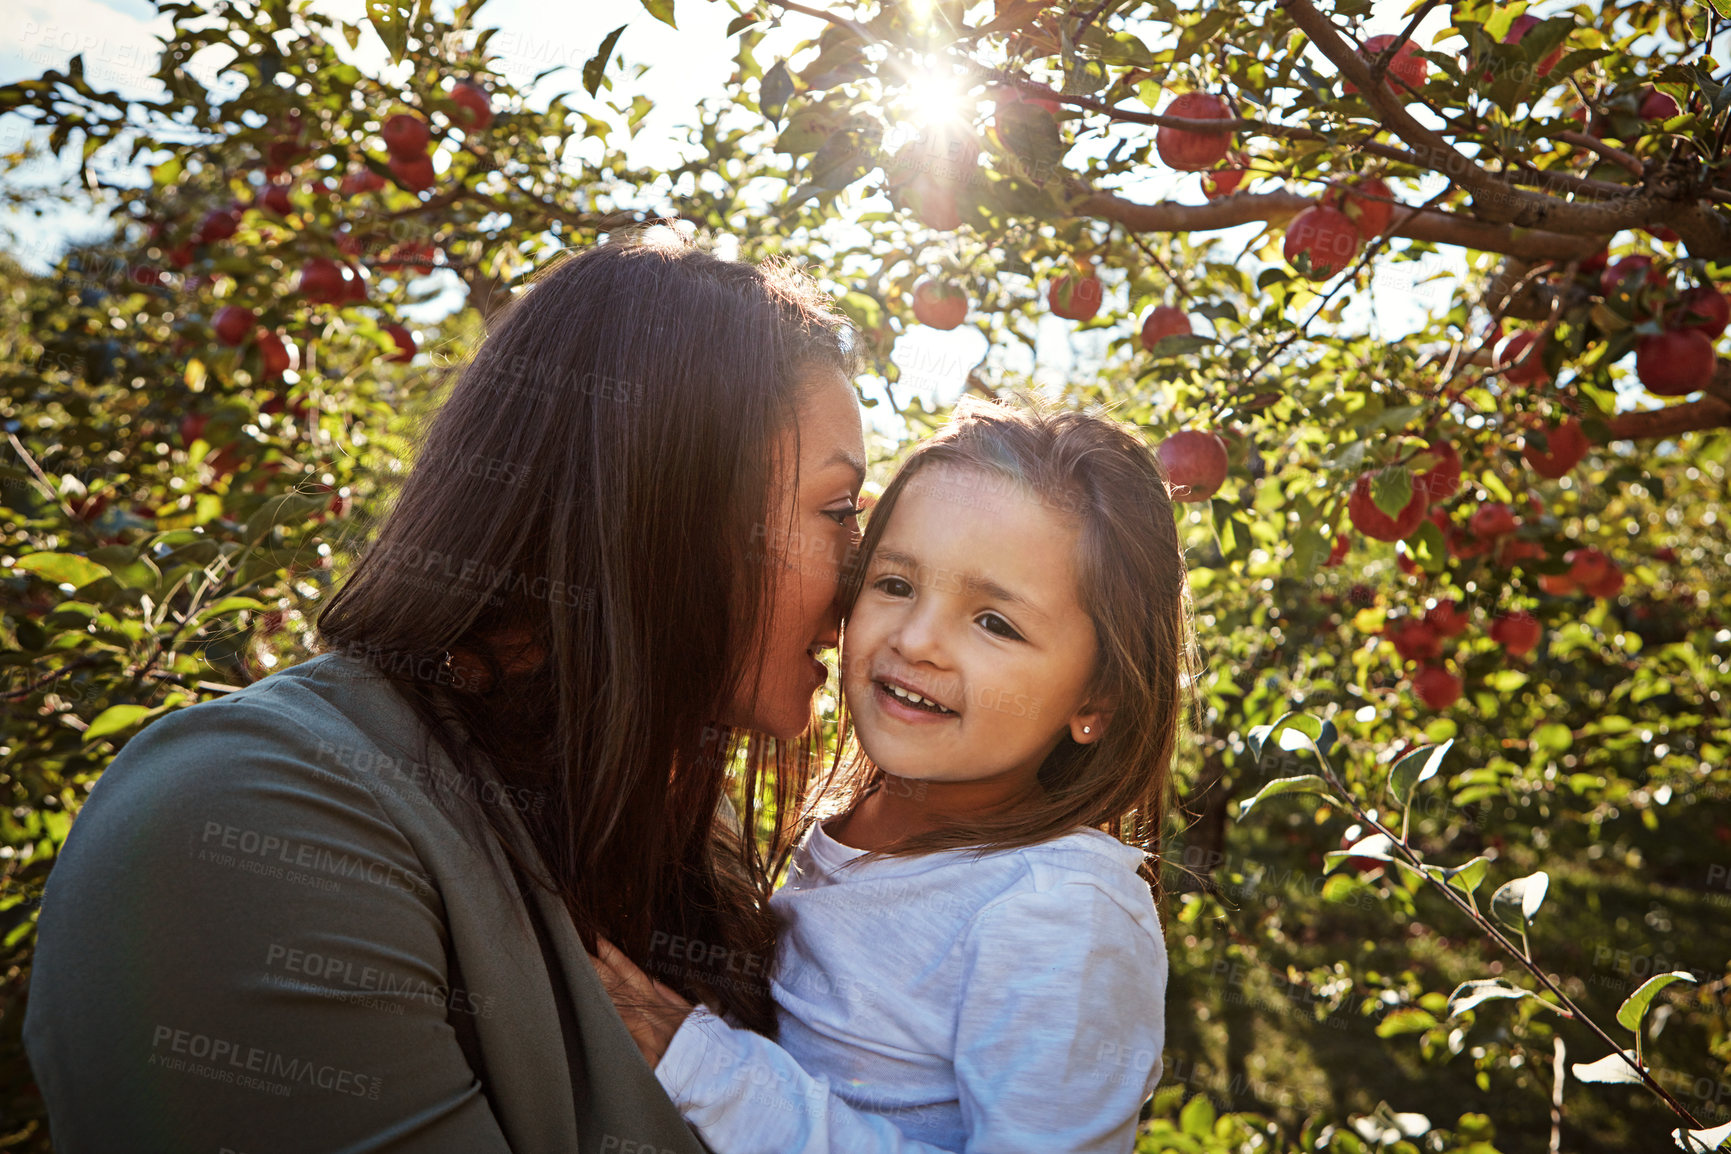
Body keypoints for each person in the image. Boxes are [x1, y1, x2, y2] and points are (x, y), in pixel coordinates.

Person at [22, 226, 869, 1152]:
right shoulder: (250, 816)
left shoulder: (698, 859)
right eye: (836, 514)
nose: (867, 585)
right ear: (649, 504)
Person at [595, 396, 1200, 1153]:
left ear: (1097, 697)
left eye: (995, 623)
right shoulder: (856, 818)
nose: (916, 641)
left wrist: (701, 1063)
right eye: (895, 584)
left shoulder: (1055, 911)